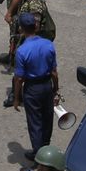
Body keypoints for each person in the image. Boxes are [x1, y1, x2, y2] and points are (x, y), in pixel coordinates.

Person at [12, 12, 60, 160]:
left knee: (35, 124)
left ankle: (39, 161)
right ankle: (45, 152)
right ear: (36, 26)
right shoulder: (48, 44)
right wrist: (55, 89)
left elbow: (19, 79)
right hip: (46, 86)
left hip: (32, 89)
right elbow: (54, 72)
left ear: (21, 28)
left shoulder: (21, 51)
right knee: (47, 121)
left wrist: (16, 98)